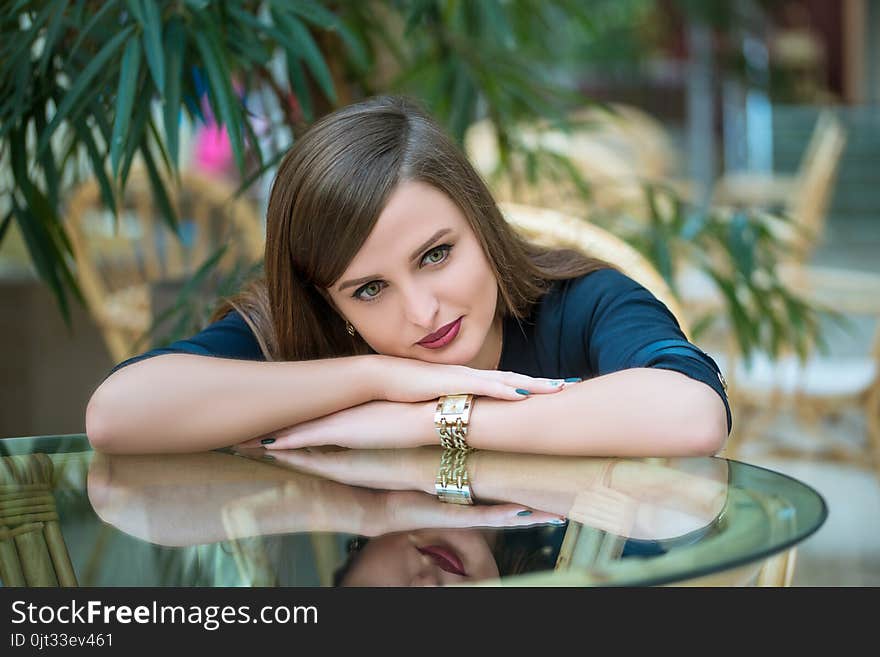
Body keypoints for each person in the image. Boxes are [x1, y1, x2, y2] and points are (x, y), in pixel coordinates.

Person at [85, 95, 730, 455]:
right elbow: (117, 415)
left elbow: (691, 412)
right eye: (369, 289)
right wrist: (378, 377)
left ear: (481, 222)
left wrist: (430, 421)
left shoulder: (584, 302)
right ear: (331, 302)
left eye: (435, 255)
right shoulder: (316, 334)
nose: (422, 312)